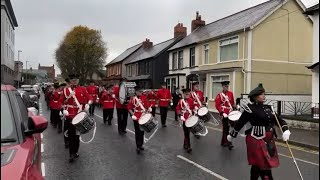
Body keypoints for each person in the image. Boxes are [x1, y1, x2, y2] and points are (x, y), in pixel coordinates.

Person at [227, 84, 291, 180]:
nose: (264, 96)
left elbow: (279, 120)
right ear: (255, 97)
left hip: (269, 140)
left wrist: (285, 130)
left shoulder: (269, 108)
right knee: (263, 165)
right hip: (256, 139)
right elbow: (240, 122)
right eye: (261, 94)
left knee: (258, 165)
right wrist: (232, 135)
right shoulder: (250, 109)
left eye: (264, 94)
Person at [60, 74, 93, 162]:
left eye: (76, 79)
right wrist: (63, 109)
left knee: (77, 135)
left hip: (79, 115)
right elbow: (61, 101)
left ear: (78, 80)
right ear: (70, 81)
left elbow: (89, 97)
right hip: (70, 114)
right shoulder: (66, 90)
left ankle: (75, 151)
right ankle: (71, 154)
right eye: (73, 80)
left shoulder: (82, 89)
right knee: (71, 135)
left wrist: (88, 104)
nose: (75, 81)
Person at [127, 86, 151, 154]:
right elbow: (129, 107)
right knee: (137, 131)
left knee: (142, 131)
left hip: (143, 116)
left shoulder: (144, 97)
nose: (141, 93)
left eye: (141, 91)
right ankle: (138, 145)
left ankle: (141, 145)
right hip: (136, 116)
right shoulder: (133, 98)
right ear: (136, 92)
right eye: (139, 91)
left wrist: (149, 109)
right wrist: (132, 114)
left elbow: (146, 106)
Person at [215, 81, 236, 149]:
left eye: (227, 86)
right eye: (225, 86)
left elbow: (232, 103)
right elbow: (217, 105)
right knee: (226, 128)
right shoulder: (219, 95)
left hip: (230, 112)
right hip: (224, 113)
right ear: (222, 87)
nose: (226, 87)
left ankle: (225, 141)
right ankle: (227, 142)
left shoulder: (230, 93)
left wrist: (236, 107)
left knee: (230, 128)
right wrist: (222, 112)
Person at [176, 88, 196, 153]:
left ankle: (185, 144)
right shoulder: (180, 101)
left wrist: (195, 109)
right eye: (186, 94)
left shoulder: (191, 100)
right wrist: (180, 115)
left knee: (188, 132)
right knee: (186, 133)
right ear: (183, 94)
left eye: (188, 94)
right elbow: (178, 109)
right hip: (184, 119)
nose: (187, 95)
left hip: (190, 118)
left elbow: (193, 108)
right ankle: (189, 146)